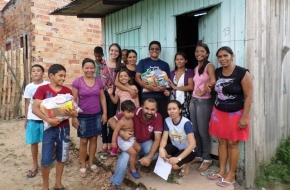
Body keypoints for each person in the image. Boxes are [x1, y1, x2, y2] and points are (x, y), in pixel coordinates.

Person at [207, 46, 252, 188]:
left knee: (233, 143)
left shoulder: (242, 73)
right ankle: (222, 170)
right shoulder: (217, 72)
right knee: (221, 142)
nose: (222, 59)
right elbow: (213, 86)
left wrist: (244, 117)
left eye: (225, 56)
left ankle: (231, 174)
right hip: (219, 112)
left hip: (236, 113)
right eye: (219, 57)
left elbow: (249, 96)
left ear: (232, 56)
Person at [32, 64, 78, 190]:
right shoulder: (42, 90)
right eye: (60, 76)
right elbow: (35, 109)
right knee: (46, 159)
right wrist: (48, 120)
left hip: (64, 129)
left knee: (62, 157)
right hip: (49, 129)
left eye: (64, 76)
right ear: (51, 75)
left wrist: (74, 115)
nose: (63, 78)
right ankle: (45, 186)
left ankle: (58, 184)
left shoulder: (67, 92)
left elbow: (74, 110)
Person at [107, 98, 163, 190]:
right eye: (147, 108)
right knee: (124, 157)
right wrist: (122, 133)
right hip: (130, 142)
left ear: (156, 110)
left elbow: (157, 139)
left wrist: (149, 157)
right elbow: (111, 120)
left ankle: (140, 162)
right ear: (142, 107)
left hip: (144, 142)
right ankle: (115, 183)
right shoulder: (133, 111)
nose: (149, 112)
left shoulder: (158, 117)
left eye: (152, 109)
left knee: (154, 154)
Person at [71, 58, 107, 178]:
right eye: (87, 68)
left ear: (95, 69)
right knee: (83, 140)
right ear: (83, 68)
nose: (89, 70)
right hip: (82, 115)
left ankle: (91, 163)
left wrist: (105, 113)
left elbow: (102, 98)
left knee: (93, 139)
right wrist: (74, 117)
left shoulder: (98, 82)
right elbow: (73, 100)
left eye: (92, 68)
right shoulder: (77, 82)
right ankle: (83, 165)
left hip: (96, 114)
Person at [189, 42, 216, 172]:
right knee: (195, 130)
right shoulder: (196, 68)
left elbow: (213, 80)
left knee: (203, 131)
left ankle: (207, 158)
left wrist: (205, 91)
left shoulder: (209, 66)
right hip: (194, 100)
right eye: (197, 51)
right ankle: (199, 155)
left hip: (204, 102)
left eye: (202, 51)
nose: (199, 53)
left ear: (207, 54)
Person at [23, 64, 50, 178]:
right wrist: (26, 119)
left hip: (45, 118)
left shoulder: (47, 85)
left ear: (43, 73)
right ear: (31, 74)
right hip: (33, 118)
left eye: (38, 71)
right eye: (33, 71)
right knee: (34, 142)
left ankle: (47, 161)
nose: (35, 73)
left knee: (47, 142)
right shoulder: (29, 87)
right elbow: (28, 103)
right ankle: (35, 165)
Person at [159, 100, 197, 176]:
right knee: (163, 153)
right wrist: (161, 149)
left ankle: (186, 163)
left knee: (174, 167)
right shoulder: (167, 120)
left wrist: (178, 159)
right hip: (176, 148)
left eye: (174, 109)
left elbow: (193, 144)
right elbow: (164, 139)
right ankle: (177, 158)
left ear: (180, 110)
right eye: (169, 109)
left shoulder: (186, 123)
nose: (171, 111)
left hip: (189, 150)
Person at [135, 41, 170, 121]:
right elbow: (137, 78)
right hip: (147, 95)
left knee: (161, 119)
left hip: (161, 97)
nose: (154, 51)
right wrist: (147, 86)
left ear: (160, 51)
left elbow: (167, 81)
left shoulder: (165, 64)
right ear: (149, 50)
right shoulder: (143, 62)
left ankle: (160, 133)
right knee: (147, 119)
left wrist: (163, 89)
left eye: (157, 49)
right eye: (152, 49)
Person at [111, 100, 141, 179]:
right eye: (129, 112)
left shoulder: (130, 119)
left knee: (138, 148)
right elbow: (116, 131)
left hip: (131, 138)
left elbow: (131, 128)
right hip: (123, 141)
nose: (131, 114)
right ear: (122, 111)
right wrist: (113, 142)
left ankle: (131, 162)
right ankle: (132, 169)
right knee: (133, 153)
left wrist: (133, 136)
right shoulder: (121, 122)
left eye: (132, 112)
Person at [101, 43, 122, 152]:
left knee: (111, 117)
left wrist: (112, 91)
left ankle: (110, 139)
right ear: (109, 51)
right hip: (104, 93)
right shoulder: (103, 63)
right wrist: (105, 89)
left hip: (114, 94)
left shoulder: (120, 66)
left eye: (116, 51)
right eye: (112, 50)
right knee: (103, 117)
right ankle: (105, 140)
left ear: (119, 53)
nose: (114, 53)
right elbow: (101, 79)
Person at [164, 52, 194, 118]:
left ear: (186, 61)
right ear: (175, 61)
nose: (179, 61)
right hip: (173, 100)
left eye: (181, 59)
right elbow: (170, 87)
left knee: (184, 119)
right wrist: (168, 91)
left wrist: (175, 87)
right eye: (177, 59)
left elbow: (191, 87)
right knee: (174, 118)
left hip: (185, 101)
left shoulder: (189, 72)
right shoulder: (172, 73)